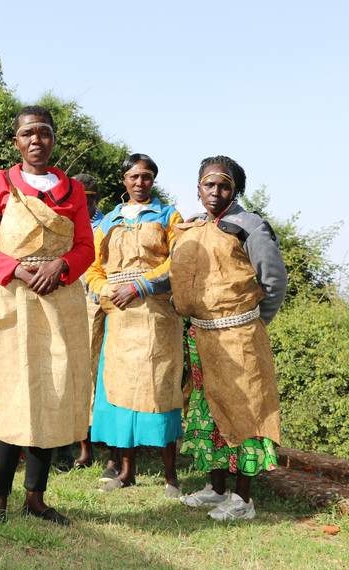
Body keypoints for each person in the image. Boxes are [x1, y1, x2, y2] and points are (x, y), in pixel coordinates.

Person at [0, 105, 94, 525]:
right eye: (28, 133)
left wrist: (60, 267)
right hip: (15, 300)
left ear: (54, 139)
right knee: (16, 395)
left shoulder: (73, 190)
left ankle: (36, 498)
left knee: (54, 393)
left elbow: (86, 249)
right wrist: (19, 269)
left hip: (61, 302)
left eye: (43, 132)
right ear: (16, 141)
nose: (36, 140)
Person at [171, 155, 287, 520]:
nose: (216, 192)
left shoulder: (249, 226)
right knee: (209, 412)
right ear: (198, 188)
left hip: (239, 339)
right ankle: (215, 488)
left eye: (224, 186)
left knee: (245, 413)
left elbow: (274, 281)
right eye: (209, 184)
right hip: (202, 337)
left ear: (236, 190)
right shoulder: (197, 228)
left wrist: (253, 322)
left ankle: (243, 499)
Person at [85, 153, 184, 497]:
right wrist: (104, 289)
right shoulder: (109, 219)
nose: (140, 182)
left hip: (156, 313)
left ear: (153, 180)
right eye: (134, 176)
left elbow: (179, 260)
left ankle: (171, 476)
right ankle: (126, 471)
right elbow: (93, 266)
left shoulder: (169, 216)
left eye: (146, 177)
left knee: (160, 387)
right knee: (123, 389)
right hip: (120, 316)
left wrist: (140, 285)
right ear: (124, 180)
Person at [54, 172, 102, 471]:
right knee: (63, 373)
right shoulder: (60, 225)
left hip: (95, 308)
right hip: (63, 304)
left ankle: (88, 445)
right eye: (80, 199)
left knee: (90, 376)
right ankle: (62, 443)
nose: (85, 204)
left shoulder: (104, 226)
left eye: (90, 199)